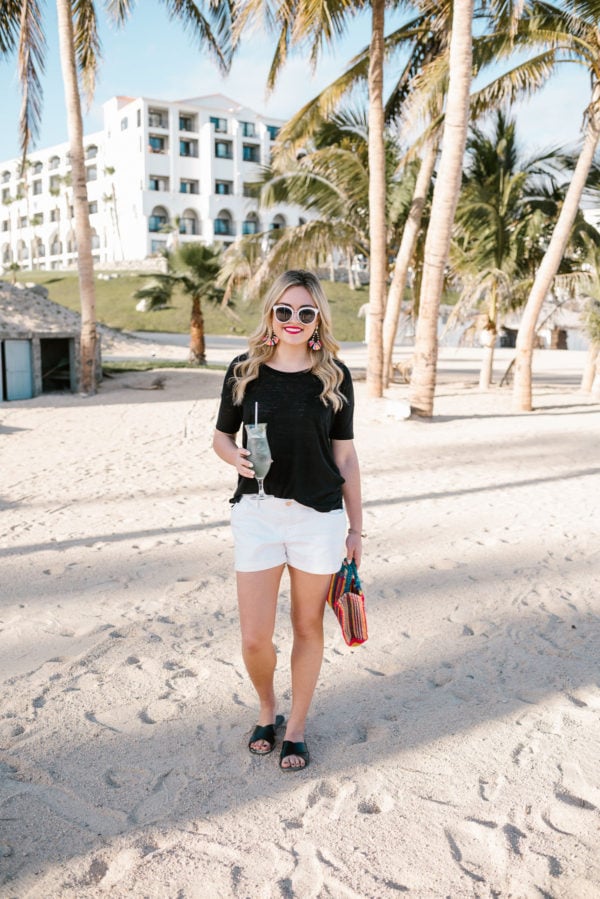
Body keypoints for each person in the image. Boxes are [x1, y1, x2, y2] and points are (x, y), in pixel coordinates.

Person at [213, 269, 363, 771]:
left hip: (318, 519)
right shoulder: (244, 370)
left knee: (307, 627)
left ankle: (295, 726)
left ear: (318, 316)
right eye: (284, 311)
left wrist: (355, 530)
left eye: (305, 311)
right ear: (271, 315)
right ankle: (266, 707)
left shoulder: (335, 376)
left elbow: (345, 458)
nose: (294, 320)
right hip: (256, 514)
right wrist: (233, 458)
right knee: (254, 637)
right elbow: (221, 438)